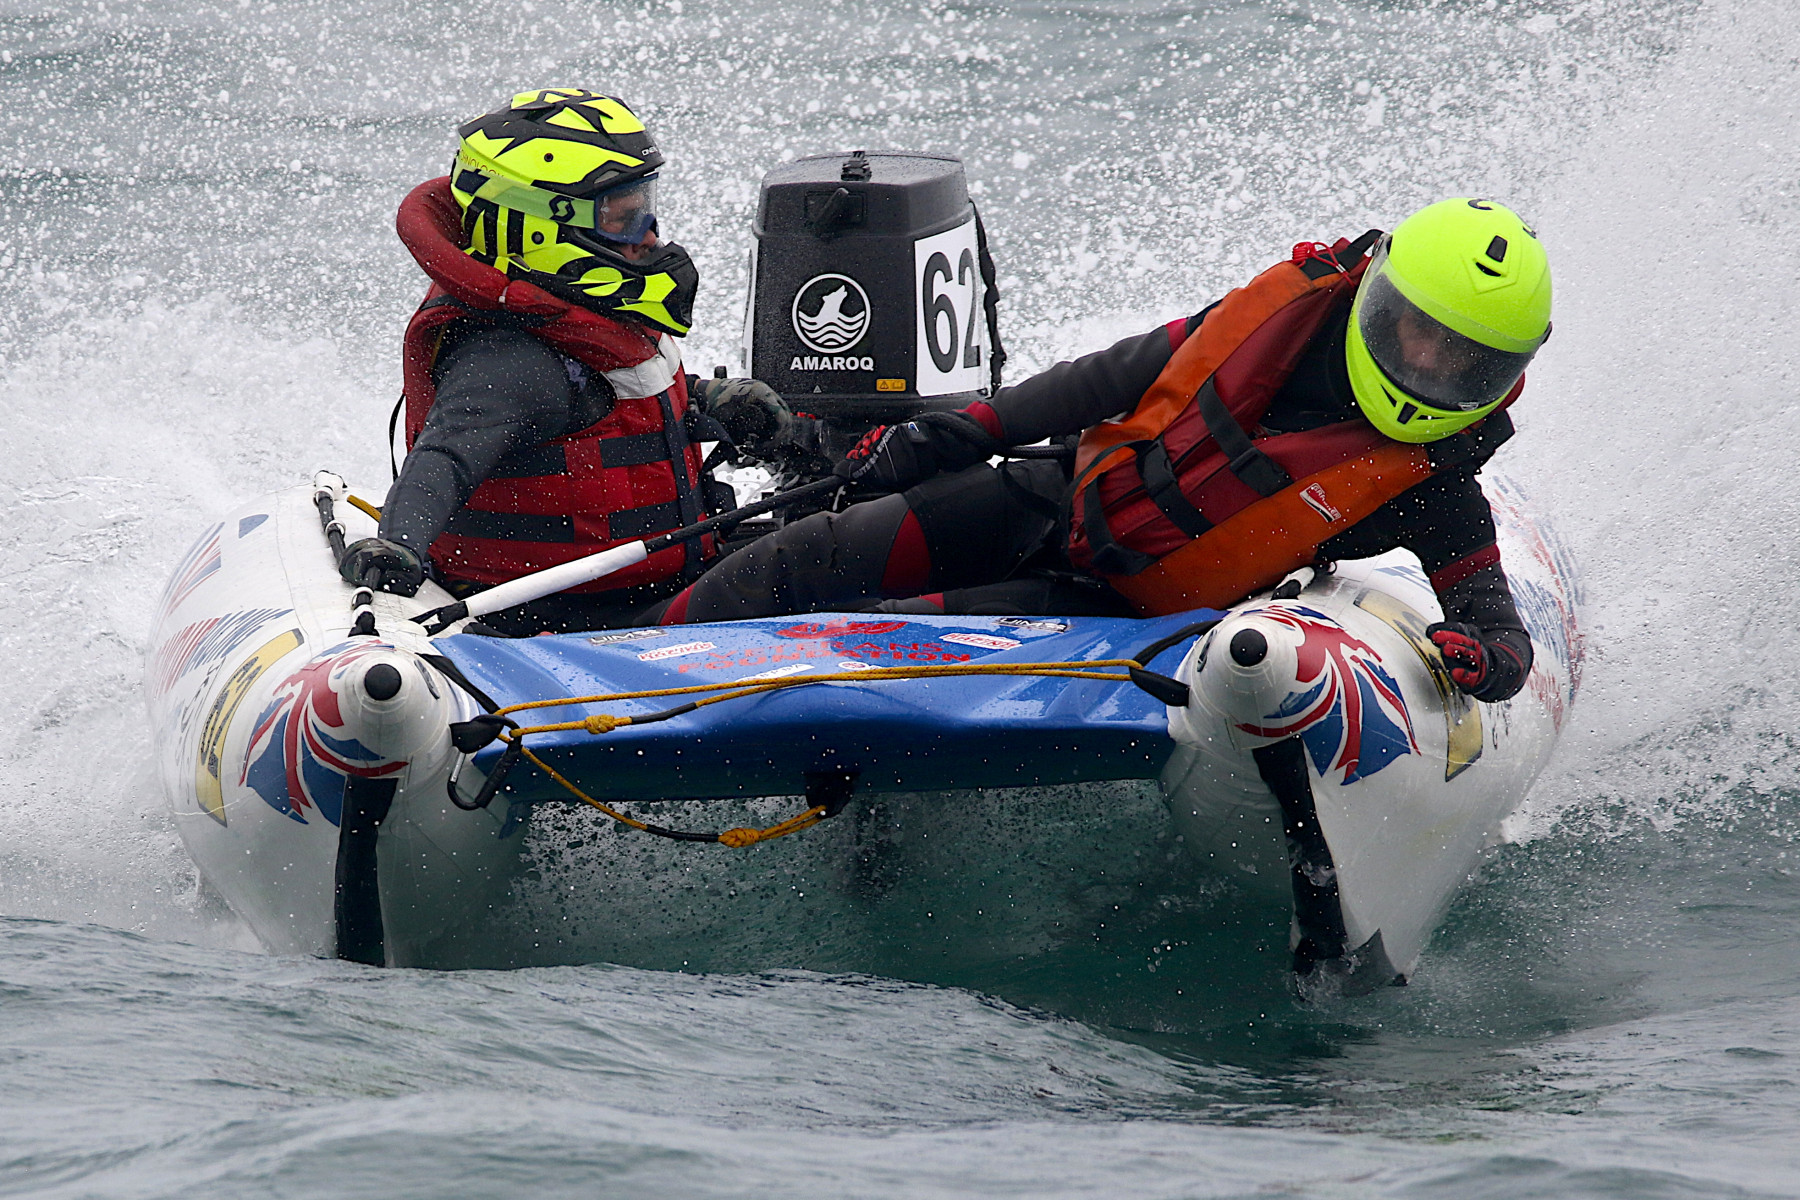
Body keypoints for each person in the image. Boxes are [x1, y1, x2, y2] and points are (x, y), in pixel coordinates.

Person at [653, 198, 1551, 702]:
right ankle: (621, 656)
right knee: (798, 557)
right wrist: (943, 438)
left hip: (1117, 619)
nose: (1428, 367)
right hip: (1049, 496)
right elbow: (1101, 380)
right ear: (1376, 295)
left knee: (867, 632)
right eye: (1419, 333)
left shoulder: (1432, 483)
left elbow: (1496, 625)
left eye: (1465, 360)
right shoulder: (1283, 318)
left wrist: (1482, 665)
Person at [339, 88, 791, 633]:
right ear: (540, 228)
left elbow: (600, 404)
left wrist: (703, 399)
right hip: (563, 621)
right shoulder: (508, 361)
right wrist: (398, 546)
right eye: (624, 218)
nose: (649, 237)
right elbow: (445, 458)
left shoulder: (582, 314)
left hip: (655, 589)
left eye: (646, 208)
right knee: (832, 550)